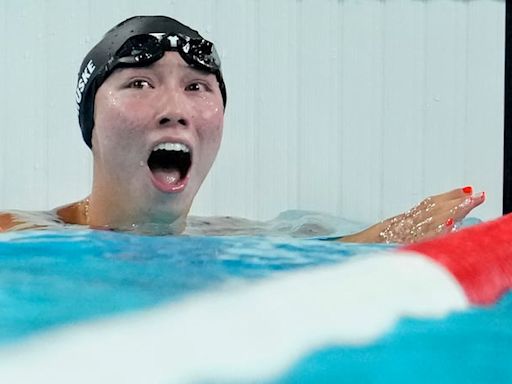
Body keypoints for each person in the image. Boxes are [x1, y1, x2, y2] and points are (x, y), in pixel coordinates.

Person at [0, 15, 486, 243]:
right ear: (91, 123)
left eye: (197, 87)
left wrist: (390, 236)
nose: (176, 109)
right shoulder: (16, 236)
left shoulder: (242, 236)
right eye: (140, 82)